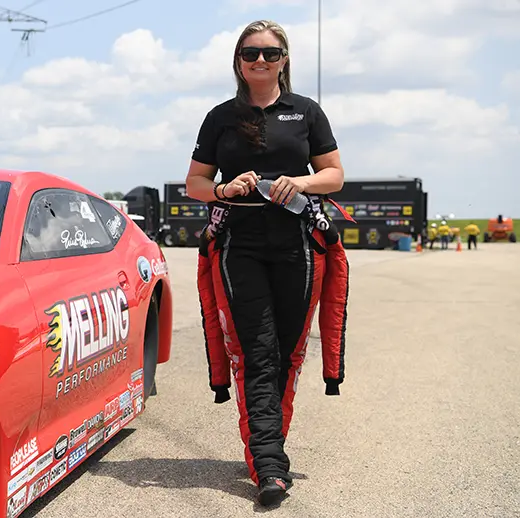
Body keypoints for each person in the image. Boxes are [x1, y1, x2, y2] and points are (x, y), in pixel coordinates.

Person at [187, 19, 350, 506]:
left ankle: (266, 448)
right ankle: (271, 466)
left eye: (270, 53)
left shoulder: (306, 111)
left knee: (287, 353)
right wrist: (224, 188)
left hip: (297, 245)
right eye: (250, 53)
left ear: (284, 60)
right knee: (257, 353)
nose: (260, 61)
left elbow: (334, 175)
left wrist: (299, 182)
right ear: (238, 61)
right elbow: (195, 183)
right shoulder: (220, 117)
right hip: (241, 246)